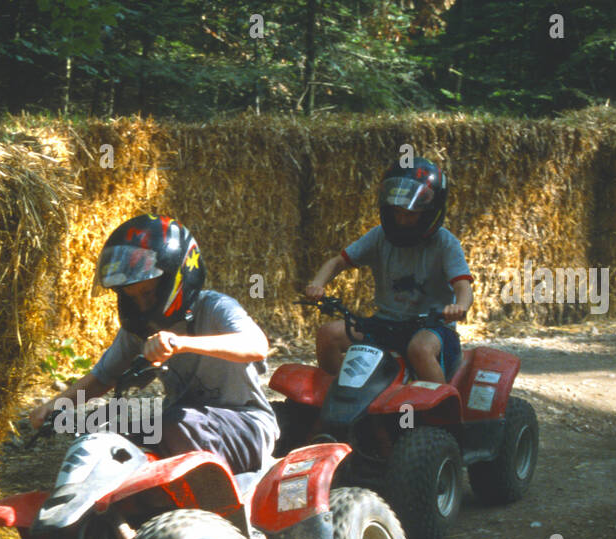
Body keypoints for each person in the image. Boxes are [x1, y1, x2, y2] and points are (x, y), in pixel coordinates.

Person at [29, 215, 278, 475]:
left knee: (175, 425)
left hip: (248, 425)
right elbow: (103, 377)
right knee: (115, 440)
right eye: (132, 297)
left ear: (176, 280)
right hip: (185, 423)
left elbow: (256, 344)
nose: (142, 305)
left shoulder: (215, 307)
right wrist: (54, 406)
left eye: (147, 293)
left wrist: (181, 343)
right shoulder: (140, 329)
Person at [305, 157, 474, 384]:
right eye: (398, 212)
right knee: (328, 335)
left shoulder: (445, 243)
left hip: (432, 327)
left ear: (429, 212)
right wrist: (317, 283)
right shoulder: (379, 236)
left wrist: (460, 307)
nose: (403, 220)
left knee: (420, 350)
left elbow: (463, 286)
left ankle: (444, 414)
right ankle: (338, 398)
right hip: (385, 323)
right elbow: (338, 262)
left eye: (411, 214)